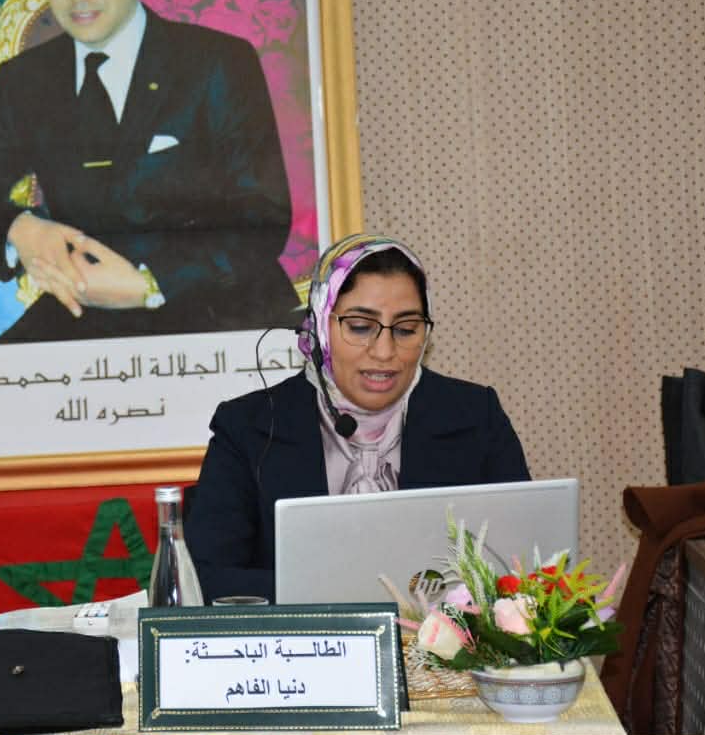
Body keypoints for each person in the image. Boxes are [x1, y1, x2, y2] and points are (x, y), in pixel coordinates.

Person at [0, 0, 298, 343]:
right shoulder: (26, 80)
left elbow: (262, 216)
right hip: (82, 310)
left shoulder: (218, 62)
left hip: (215, 304)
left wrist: (149, 286)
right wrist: (19, 230)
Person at [184, 234, 532, 602]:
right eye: (360, 327)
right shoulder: (248, 427)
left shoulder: (476, 416)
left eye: (406, 329)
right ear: (319, 327)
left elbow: (523, 564)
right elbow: (203, 580)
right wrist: (339, 591)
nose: (384, 352)